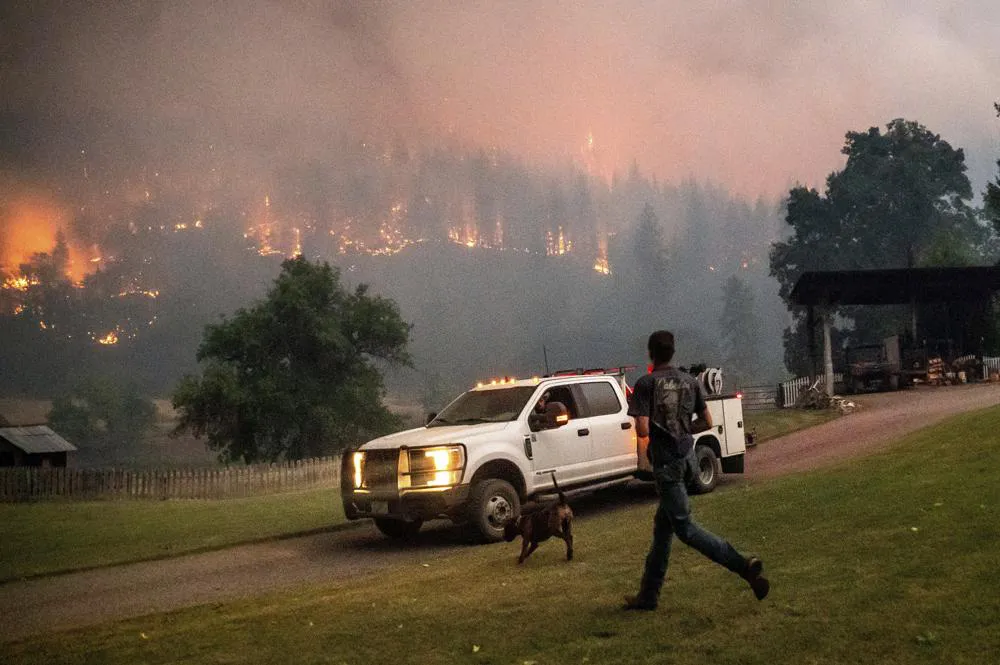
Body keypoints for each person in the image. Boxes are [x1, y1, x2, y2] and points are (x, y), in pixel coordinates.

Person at [624, 330, 769, 611]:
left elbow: (642, 429)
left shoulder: (645, 384)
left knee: (686, 530)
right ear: (673, 352)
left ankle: (743, 565)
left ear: (651, 353)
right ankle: (648, 596)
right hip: (688, 459)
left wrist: (658, 432)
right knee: (662, 530)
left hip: (666, 465)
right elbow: (708, 420)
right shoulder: (690, 381)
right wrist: (681, 430)